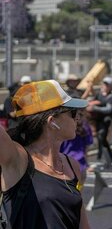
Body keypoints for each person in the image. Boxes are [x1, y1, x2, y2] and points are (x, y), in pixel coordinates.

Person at [1, 80, 91, 228]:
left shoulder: (71, 165)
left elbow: (82, 224)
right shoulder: (18, 160)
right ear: (52, 122)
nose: (77, 118)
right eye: (72, 112)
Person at [87, 76, 112, 168]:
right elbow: (94, 100)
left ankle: (103, 157)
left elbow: (109, 109)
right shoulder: (99, 94)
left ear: (110, 87)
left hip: (106, 120)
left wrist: (95, 108)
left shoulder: (111, 97)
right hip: (98, 120)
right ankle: (107, 157)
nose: (104, 86)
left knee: (102, 137)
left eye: (106, 85)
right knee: (101, 139)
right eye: (103, 84)